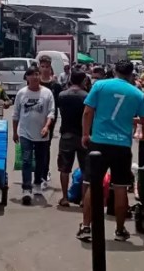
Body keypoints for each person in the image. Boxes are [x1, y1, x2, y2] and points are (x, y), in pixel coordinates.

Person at [80, 60, 144, 242]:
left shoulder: (100, 86)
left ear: (114, 71)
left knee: (91, 184)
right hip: (122, 146)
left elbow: (88, 112)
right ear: (131, 74)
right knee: (120, 188)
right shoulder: (137, 94)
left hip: (99, 143)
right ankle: (120, 230)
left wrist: (86, 134)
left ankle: (86, 227)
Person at [12, 68, 56, 205]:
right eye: (32, 75)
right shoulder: (21, 93)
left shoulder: (47, 93)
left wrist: (46, 126)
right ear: (27, 78)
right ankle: (26, 188)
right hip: (25, 132)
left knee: (40, 161)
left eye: (37, 74)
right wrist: (15, 132)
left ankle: (37, 183)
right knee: (26, 160)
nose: (36, 77)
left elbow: (51, 112)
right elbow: (16, 114)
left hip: (42, 134)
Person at [56, 70, 89, 208]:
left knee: (64, 168)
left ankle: (64, 198)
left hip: (66, 134)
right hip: (83, 135)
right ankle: (83, 199)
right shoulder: (87, 96)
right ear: (83, 81)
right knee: (85, 169)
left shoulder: (62, 95)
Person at [38, 55, 63, 189]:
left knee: (45, 145)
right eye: (42, 66)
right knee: (34, 145)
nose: (45, 69)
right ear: (39, 67)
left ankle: (44, 172)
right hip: (34, 117)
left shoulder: (55, 85)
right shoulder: (35, 82)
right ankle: (36, 172)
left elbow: (60, 104)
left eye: (47, 67)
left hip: (50, 118)